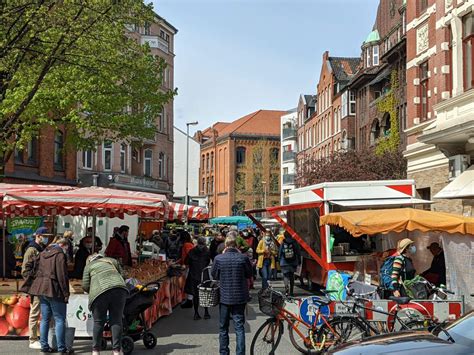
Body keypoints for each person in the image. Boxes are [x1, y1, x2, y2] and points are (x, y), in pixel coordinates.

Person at [28, 238, 71, 354]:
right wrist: (66, 293)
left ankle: (44, 346)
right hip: (54, 289)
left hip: (41, 288)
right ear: (62, 245)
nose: (67, 249)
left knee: (44, 319)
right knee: (59, 319)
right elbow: (62, 276)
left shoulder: (42, 253)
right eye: (67, 247)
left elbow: (33, 268)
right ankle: (62, 348)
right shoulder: (60, 255)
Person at [211, 235, 252, 355]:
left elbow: (214, 275)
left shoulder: (219, 258)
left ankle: (224, 352)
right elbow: (249, 274)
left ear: (226, 245)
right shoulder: (243, 258)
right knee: (239, 327)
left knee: (223, 327)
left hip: (225, 297)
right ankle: (240, 353)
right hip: (240, 297)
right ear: (237, 245)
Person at [82, 254, 128, 355]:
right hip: (119, 290)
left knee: (98, 322)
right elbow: (124, 276)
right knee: (116, 320)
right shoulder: (112, 260)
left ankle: (96, 351)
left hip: (99, 293)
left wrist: (93, 287)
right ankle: (117, 351)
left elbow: (85, 285)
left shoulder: (89, 266)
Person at [20, 227, 48, 350]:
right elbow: (25, 270)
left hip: (42, 285)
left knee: (42, 313)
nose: (46, 238)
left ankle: (41, 338)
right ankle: (32, 339)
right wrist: (33, 282)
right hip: (36, 287)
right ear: (38, 235)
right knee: (35, 312)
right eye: (45, 235)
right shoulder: (31, 250)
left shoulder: (40, 248)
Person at [185, 237, 211, 320]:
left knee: (195, 295)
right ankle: (206, 312)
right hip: (204, 274)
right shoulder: (207, 251)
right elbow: (207, 262)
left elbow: (186, 262)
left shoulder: (192, 251)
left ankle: (196, 313)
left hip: (194, 274)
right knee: (205, 294)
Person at [278, 231, 301, 297]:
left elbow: (280, 252)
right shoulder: (294, 242)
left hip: (284, 262)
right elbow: (298, 251)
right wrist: (299, 260)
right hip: (293, 262)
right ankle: (291, 291)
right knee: (292, 276)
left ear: (284, 235)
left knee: (285, 276)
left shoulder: (283, 242)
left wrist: (279, 259)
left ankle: (286, 288)